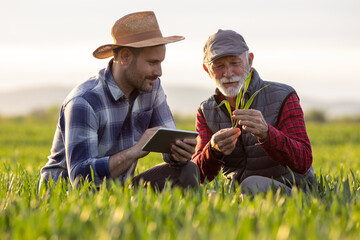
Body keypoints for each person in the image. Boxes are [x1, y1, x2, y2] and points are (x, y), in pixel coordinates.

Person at [39, 11, 199, 190]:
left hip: (119, 190)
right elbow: (80, 179)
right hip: (67, 198)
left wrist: (179, 152)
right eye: (153, 62)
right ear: (125, 57)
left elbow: (171, 146)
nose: (159, 72)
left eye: (161, 62)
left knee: (187, 171)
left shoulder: (152, 88)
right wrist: (136, 150)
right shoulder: (84, 101)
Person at [192, 29, 315, 194]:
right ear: (207, 70)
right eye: (219, 66)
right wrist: (213, 150)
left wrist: (267, 134)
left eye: (235, 63)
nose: (228, 73)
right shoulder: (206, 110)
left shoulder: (284, 96)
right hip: (241, 193)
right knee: (203, 196)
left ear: (250, 61)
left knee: (251, 184)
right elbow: (197, 176)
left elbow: (304, 160)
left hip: (292, 190)